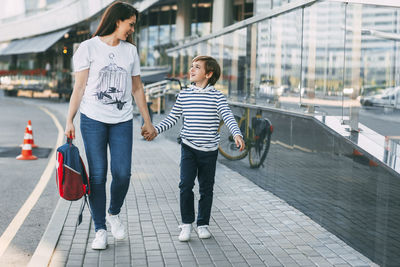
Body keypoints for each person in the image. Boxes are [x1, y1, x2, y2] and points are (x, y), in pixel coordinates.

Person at [65, 1, 156, 250]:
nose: (132, 29)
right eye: (131, 24)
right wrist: (69, 119)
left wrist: (147, 121)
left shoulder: (130, 51)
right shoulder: (88, 48)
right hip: (92, 119)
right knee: (97, 176)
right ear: (118, 20)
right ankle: (100, 229)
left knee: (123, 173)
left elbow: (137, 88)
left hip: (122, 120)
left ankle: (113, 212)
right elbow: (80, 87)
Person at [142, 55, 245, 241]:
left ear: (208, 74)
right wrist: (156, 130)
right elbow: (173, 118)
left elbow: (228, 116)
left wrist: (237, 133)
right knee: (185, 185)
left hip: (209, 151)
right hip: (188, 147)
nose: (192, 70)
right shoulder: (184, 94)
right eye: (192, 66)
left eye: (197, 67)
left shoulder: (217, 96)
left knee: (206, 188)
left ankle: (203, 223)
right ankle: (187, 224)